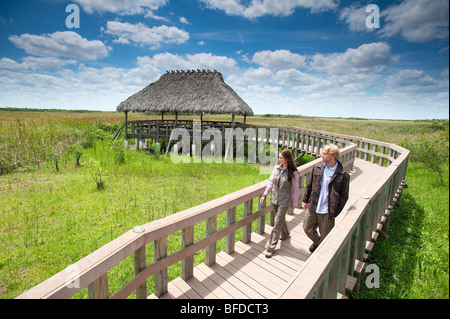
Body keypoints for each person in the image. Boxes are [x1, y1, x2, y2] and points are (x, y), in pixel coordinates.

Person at [302, 144, 350, 253]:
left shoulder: (343, 174)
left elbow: (344, 196)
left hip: (328, 210)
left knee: (326, 235)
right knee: (306, 228)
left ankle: (320, 253)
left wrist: (335, 212)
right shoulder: (317, 168)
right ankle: (317, 243)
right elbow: (309, 185)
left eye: (325, 153)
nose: (322, 155)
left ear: (333, 156)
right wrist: (305, 199)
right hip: (314, 205)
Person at [260, 149, 299, 258]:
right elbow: (271, 182)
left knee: (276, 223)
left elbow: (295, 189)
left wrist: (294, 202)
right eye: (279, 157)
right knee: (280, 219)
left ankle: (270, 247)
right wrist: (264, 194)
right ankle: (286, 233)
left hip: (284, 201)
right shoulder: (276, 168)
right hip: (274, 198)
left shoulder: (293, 173)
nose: (279, 159)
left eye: (281, 157)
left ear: (287, 159)